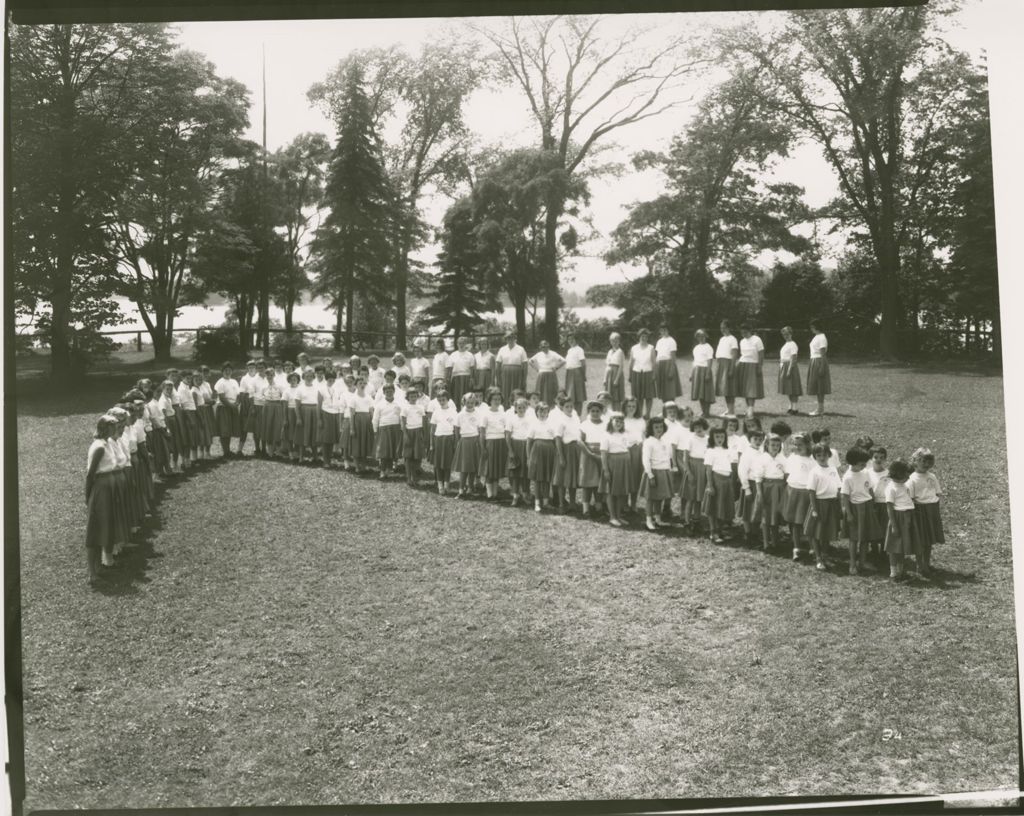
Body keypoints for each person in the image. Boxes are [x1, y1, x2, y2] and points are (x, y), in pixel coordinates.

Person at [85, 415, 129, 582]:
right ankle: (92, 572)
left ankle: (99, 566)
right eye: (113, 426)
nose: (116, 429)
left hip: (109, 487)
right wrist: (88, 496)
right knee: (95, 528)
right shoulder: (99, 447)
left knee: (106, 525)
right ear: (105, 428)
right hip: (101, 489)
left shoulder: (108, 443)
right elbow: (90, 475)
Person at [841, 446, 880, 575]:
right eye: (861, 464)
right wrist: (849, 514)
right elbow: (845, 497)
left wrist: (872, 502)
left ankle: (862, 562)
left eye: (865, 464)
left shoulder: (865, 472)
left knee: (865, 538)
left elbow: (869, 489)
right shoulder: (848, 477)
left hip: (867, 506)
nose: (864, 466)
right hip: (855, 509)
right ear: (852, 462)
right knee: (854, 538)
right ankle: (852, 564)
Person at [804, 441, 842, 571]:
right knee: (816, 532)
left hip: (831, 504)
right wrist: (814, 509)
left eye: (824, 455)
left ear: (829, 455)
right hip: (819, 504)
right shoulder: (814, 472)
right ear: (815, 457)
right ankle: (818, 557)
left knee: (827, 531)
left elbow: (838, 487)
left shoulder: (833, 470)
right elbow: (811, 491)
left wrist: (838, 504)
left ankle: (825, 553)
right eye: (818, 455)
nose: (822, 457)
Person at [908, 447, 944, 579]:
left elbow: (938, 492)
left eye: (929, 462)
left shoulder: (932, 476)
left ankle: (926, 564)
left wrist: (935, 506)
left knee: (929, 540)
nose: (926, 464)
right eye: (923, 461)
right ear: (915, 461)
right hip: (919, 510)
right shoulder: (912, 478)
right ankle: (919, 565)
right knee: (920, 540)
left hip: (931, 509)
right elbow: (910, 498)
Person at [753, 434, 788, 553]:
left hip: (779, 489)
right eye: (773, 445)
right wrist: (759, 493)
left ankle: (775, 542)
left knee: (775, 515)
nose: (775, 447)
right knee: (766, 516)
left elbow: (787, 473)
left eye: (778, 445)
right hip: (767, 488)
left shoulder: (782, 458)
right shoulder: (762, 458)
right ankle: (766, 543)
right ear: (767, 445)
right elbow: (758, 477)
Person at [783, 433, 815, 561]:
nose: (797, 447)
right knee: (795, 522)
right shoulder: (792, 458)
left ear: (807, 445)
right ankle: (796, 547)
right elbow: (787, 473)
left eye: (800, 445)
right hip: (793, 491)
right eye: (795, 445)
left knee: (808, 521)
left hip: (806, 492)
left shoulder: (812, 460)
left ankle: (812, 547)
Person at [883, 459, 915, 583]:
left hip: (906, 517)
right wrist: (894, 525)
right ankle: (893, 571)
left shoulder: (904, 485)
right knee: (893, 546)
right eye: (906, 475)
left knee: (902, 546)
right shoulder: (891, 488)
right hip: (897, 518)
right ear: (898, 474)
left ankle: (901, 571)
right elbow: (889, 507)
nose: (908, 477)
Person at [702, 424, 734, 544]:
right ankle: (713, 531)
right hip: (716, 480)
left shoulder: (727, 450)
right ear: (712, 438)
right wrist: (710, 485)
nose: (720, 439)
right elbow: (708, 469)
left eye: (722, 436)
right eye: (717, 437)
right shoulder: (710, 451)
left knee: (723, 507)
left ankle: (720, 530)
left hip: (726, 481)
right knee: (713, 507)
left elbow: (729, 466)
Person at [641, 416, 673, 531]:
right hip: (653, 472)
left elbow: (668, 457)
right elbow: (646, 460)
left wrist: (669, 469)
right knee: (651, 498)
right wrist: (650, 475)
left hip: (664, 471)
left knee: (660, 497)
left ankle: (658, 519)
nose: (659, 429)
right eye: (656, 427)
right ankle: (649, 520)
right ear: (651, 428)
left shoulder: (664, 440)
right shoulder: (649, 442)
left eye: (660, 427)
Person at [527, 402, 560, 513]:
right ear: (536, 412)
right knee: (538, 479)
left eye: (545, 411)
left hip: (549, 452)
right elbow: (529, 442)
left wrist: (557, 453)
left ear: (548, 413)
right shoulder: (533, 424)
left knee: (546, 478)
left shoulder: (552, 424)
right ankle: (537, 503)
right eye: (540, 411)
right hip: (537, 452)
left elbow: (556, 439)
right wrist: (528, 457)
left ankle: (546, 502)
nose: (542, 413)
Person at [601, 413, 632, 527]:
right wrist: (606, 470)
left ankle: (619, 516)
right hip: (612, 464)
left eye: (621, 422)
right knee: (611, 491)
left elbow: (626, 448)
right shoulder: (606, 435)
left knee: (620, 491)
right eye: (616, 421)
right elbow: (603, 454)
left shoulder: (624, 434)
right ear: (610, 422)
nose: (618, 424)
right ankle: (612, 517)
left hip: (623, 464)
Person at [578, 400, 607, 518]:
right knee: (587, 482)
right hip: (588, 454)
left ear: (601, 412)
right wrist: (589, 454)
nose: (595, 413)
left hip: (601, 454)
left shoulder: (606, 424)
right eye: (592, 411)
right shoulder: (585, 424)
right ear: (588, 412)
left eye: (597, 411)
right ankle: (586, 508)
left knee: (599, 482)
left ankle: (598, 506)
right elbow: (580, 441)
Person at [552, 392, 581, 512]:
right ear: (562, 407)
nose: (569, 409)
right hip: (565, 449)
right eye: (566, 407)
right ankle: (561, 504)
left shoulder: (575, 416)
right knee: (562, 479)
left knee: (573, 477)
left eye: (571, 406)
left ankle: (573, 503)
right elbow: (558, 439)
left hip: (575, 449)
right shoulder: (560, 420)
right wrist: (561, 457)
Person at [737, 427, 765, 545]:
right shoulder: (747, 454)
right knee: (747, 510)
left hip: (759, 484)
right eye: (755, 439)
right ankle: (748, 533)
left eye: (760, 439)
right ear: (750, 440)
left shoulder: (763, 452)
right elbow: (742, 471)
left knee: (757, 509)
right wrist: (747, 488)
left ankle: (755, 532)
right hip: (750, 483)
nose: (758, 441)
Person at [680, 416, 709, 534]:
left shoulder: (708, 439)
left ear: (704, 427)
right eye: (695, 427)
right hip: (692, 467)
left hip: (703, 468)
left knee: (699, 498)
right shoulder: (690, 439)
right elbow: (685, 458)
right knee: (690, 498)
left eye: (700, 426)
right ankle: (687, 522)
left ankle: (696, 521)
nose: (698, 429)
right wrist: (688, 472)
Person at [480, 390, 509, 500]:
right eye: (494, 399)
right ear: (490, 401)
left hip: (500, 442)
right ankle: (489, 494)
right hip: (490, 442)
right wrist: (483, 447)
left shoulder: (503, 414)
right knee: (489, 469)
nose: (497, 401)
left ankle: (495, 494)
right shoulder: (486, 414)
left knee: (496, 469)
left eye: (499, 399)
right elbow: (482, 433)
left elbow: (506, 430)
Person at [452, 392, 483, 498]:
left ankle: (470, 488)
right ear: (464, 402)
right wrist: (458, 441)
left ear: (475, 403)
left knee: (473, 467)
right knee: (464, 467)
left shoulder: (478, 414)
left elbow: (479, 428)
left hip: (475, 441)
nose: (470, 405)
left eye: (472, 403)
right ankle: (461, 489)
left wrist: (479, 439)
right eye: (468, 402)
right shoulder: (460, 414)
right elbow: (456, 428)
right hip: (464, 441)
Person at [505, 397, 533, 507]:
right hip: (515, 445)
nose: (521, 409)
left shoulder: (530, 419)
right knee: (515, 472)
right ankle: (515, 494)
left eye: (523, 407)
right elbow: (507, 436)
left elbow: (531, 435)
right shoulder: (511, 419)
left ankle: (525, 493)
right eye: (519, 407)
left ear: (526, 408)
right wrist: (511, 451)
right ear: (515, 408)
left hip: (526, 446)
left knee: (526, 472)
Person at [429, 390, 458, 496]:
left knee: (447, 464)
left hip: (449, 438)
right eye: (440, 400)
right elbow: (432, 429)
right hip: (438, 439)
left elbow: (455, 428)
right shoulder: (436, 412)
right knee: (438, 464)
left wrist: (455, 442)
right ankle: (440, 485)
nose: (442, 402)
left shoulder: (453, 412)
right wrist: (432, 444)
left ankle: (447, 484)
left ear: (448, 400)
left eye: (444, 400)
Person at [373, 383, 403, 480]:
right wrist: (375, 430)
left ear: (394, 391)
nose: (389, 393)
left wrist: (402, 428)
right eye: (387, 392)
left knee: (392, 450)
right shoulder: (379, 405)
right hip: (384, 428)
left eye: (391, 391)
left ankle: (388, 469)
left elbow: (401, 417)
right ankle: (382, 471)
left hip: (395, 428)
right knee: (384, 450)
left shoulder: (398, 404)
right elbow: (375, 419)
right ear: (384, 393)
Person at [622, 397, 646, 516]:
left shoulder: (640, 420)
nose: (631, 409)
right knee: (627, 475)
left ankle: (633, 503)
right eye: (629, 406)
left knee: (636, 475)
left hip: (638, 450)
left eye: (633, 406)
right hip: (625, 450)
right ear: (624, 407)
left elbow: (643, 436)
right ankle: (624, 502)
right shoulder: (621, 419)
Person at [866, 447, 891, 562]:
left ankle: (884, 549)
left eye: (882, 457)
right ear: (871, 458)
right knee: (873, 526)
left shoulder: (888, 474)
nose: (878, 460)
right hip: (872, 503)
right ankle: (874, 548)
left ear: (885, 459)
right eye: (876, 457)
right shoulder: (867, 473)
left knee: (884, 527)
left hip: (884, 503)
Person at [400, 385, 427, 487]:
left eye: (415, 396)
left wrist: (423, 433)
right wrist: (405, 434)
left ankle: (415, 477)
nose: (413, 398)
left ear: (417, 396)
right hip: (409, 432)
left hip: (418, 431)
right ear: (408, 397)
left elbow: (424, 421)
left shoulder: (420, 407)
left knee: (417, 455)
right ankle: (408, 477)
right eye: (411, 396)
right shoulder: (405, 408)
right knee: (408, 456)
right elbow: (403, 422)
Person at [736, 325, 765, 419]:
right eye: (742, 332)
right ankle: (748, 408)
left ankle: (751, 409)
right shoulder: (742, 341)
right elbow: (743, 355)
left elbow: (761, 354)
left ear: (750, 331)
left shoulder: (757, 339)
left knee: (751, 388)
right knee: (745, 388)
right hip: (743, 364)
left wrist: (759, 366)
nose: (743, 334)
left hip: (753, 365)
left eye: (745, 332)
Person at [213, 362, 242, 458]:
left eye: (229, 370)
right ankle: (225, 452)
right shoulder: (220, 382)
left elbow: (238, 395)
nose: (228, 372)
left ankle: (228, 450)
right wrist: (232, 406)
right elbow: (222, 397)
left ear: (232, 371)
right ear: (222, 371)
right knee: (224, 430)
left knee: (229, 430)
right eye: (225, 370)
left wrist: (237, 403)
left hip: (233, 406)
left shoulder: (234, 381)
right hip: (224, 407)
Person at [627, 329, 656, 419]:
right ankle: (639, 414)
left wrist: (654, 375)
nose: (644, 338)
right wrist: (630, 374)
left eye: (646, 336)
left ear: (648, 338)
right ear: (639, 337)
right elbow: (631, 362)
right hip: (636, 373)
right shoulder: (634, 348)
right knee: (638, 396)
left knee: (648, 396)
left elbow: (654, 362)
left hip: (648, 373)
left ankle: (647, 414)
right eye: (642, 336)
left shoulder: (651, 347)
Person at [713, 321, 740, 418]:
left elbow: (734, 355)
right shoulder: (722, 339)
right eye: (721, 327)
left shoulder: (733, 339)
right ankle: (728, 409)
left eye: (724, 327)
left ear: (729, 328)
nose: (722, 329)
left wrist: (731, 369)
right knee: (724, 389)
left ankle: (732, 411)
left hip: (728, 364)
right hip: (721, 364)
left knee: (729, 388)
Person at [530, 340, 566, 408]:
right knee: (540, 391)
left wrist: (556, 367)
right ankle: (540, 406)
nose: (545, 348)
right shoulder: (539, 354)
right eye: (543, 347)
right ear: (540, 347)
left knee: (551, 392)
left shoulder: (553, 353)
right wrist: (537, 369)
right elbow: (530, 361)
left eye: (546, 346)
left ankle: (551, 406)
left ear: (548, 346)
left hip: (551, 374)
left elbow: (563, 361)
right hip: (541, 374)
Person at [495, 333, 528, 406]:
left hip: (517, 373)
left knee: (517, 391)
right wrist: (498, 378)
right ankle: (506, 407)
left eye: (512, 338)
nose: (510, 340)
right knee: (505, 390)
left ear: (515, 338)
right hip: (505, 374)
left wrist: (524, 379)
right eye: (508, 338)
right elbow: (498, 365)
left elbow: (525, 364)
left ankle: (518, 407)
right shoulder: (502, 349)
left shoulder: (521, 349)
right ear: (506, 339)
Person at [654, 325, 682, 411]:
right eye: (661, 330)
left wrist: (671, 370)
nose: (663, 332)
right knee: (662, 390)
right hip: (660, 365)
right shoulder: (659, 341)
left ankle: (672, 409)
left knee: (670, 390)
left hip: (668, 364)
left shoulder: (671, 341)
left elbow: (673, 357)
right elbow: (657, 355)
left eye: (665, 330)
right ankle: (666, 409)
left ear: (668, 330)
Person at [806, 320, 831, 417]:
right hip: (814, 361)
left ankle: (820, 409)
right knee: (817, 386)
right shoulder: (816, 337)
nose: (811, 329)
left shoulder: (822, 337)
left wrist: (822, 367)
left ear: (816, 327)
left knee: (820, 386)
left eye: (812, 327)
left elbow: (823, 354)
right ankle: (820, 408)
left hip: (819, 361)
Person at [319, 369, 342, 468]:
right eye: (329, 379)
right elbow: (319, 405)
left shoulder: (337, 389)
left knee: (332, 438)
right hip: (325, 414)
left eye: (333, 379)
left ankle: (330, 459)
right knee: (325, 439)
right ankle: (326, 461)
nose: (331, 381)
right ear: (326, 379)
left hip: (335, 414)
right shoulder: (321, 389)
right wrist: (319, 419)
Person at [690, 329, 715, 418]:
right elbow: (695, 361)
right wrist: (691, 373)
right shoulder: (696, 348)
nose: (701, 338)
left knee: (706, 392)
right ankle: (703, 411)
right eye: (699, 336)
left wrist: (708, 373)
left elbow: (709, 361)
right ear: (697, 337)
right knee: (700, 393)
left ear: (705, 336)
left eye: (702, 336)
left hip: (705, 370)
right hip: (697, 370)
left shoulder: (708, 347)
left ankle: (707, 412)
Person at [778, 326, 802, 415]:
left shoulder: (793, 344)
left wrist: (789, 370)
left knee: (793, 388)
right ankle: (791, 406)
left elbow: (793, 358)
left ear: (791, 334)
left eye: (787, 334)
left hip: (790, 367)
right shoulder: (786, 344)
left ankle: (795, 408)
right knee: (788, 388)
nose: (785, 336)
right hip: (784, 366)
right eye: (784, 334)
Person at [563, 333, 587, 417]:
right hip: (569, 373)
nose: (571, 341)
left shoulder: (579, 349)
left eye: (572, 339)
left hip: (577, 373)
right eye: (569, 339)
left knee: (578, 396)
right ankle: (571, 415)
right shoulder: (569, 350)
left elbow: (583, 363)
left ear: (576, 339)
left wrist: (583, 375)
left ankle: (578, 415)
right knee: (570, 395)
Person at [448, 337, 477, 407]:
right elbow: (450, 368)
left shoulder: (470, 355)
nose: (461, 345)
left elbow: (472, 368)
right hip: (456, 378)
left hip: (466, 377)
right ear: (457, 344)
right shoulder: (453, 355)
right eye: (460, 343)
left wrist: (472, 378)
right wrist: (449, 379)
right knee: (456, 396)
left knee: (466, 396)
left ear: (465, 344)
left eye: (463, 343)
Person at [282, 371, 302, 463]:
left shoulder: (301, 389)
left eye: (295, 379)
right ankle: (290, 452)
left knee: (298, 432)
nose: (293, 381)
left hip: (299, 412)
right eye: (291, 379)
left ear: (298, 380)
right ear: (288, 381)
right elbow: (285, 406)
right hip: (290, 412)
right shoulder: (286, 391)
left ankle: (297, 452)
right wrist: (285, 418)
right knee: (290, 433)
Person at [603, 333, 626, 411]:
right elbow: (607, 365)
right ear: (610, 341)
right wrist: (605, 379)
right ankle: (611, 412)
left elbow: (621, 366)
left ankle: (617, 412)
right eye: (612, 341)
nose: (614, 342)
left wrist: (616, 379)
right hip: (610, 374)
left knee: (617, 397)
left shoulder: (620, 352)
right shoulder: (609, 351)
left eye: (616, 341)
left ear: (619, 341)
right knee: (610, 396)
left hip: (617, 374)